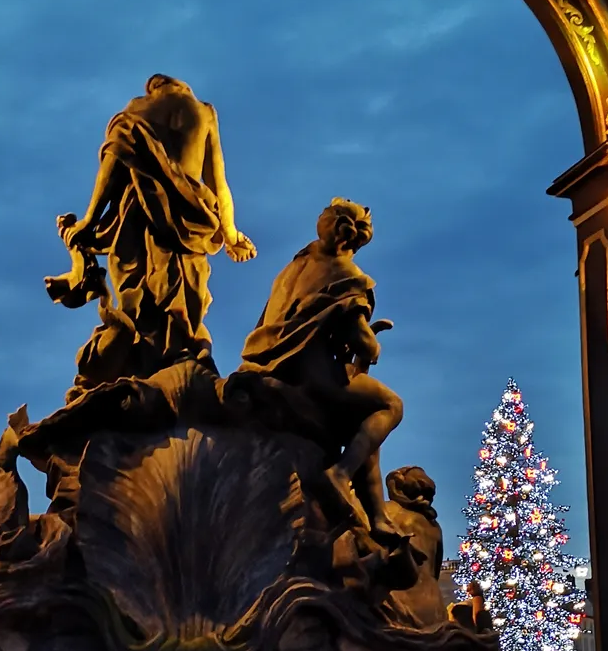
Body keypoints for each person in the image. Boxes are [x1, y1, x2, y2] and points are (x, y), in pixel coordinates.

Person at [48, 74, 256, 393]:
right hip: (192, 220)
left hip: (138, 218)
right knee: (185, 296)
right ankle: (179, 360)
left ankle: (144, 368)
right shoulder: (204, 112)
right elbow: (219, 181)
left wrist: (90, 221)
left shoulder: (137, 111)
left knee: (138, 297)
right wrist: (230, 232)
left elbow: (114, 161)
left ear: (153, 88)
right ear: (182, 87)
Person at [236, 198, 405, 541]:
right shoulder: (348, 276)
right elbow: (362, 345)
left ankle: (377, 518)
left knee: (364, 421)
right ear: (353, 239)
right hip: (311, 379)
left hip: (267, 365)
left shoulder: (293, 266)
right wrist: (373, 340)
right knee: (390, 406)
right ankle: (340, 474)